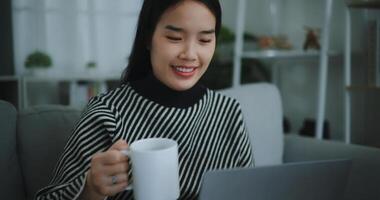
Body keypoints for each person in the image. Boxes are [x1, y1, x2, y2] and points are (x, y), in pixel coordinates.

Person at [36, 0, 254, 199]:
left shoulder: (228, 112)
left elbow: (252, 190)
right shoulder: (107, 113)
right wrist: (90, 189)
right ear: (148, 38)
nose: (190, 54)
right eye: (174, 38)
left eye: (205, 39)